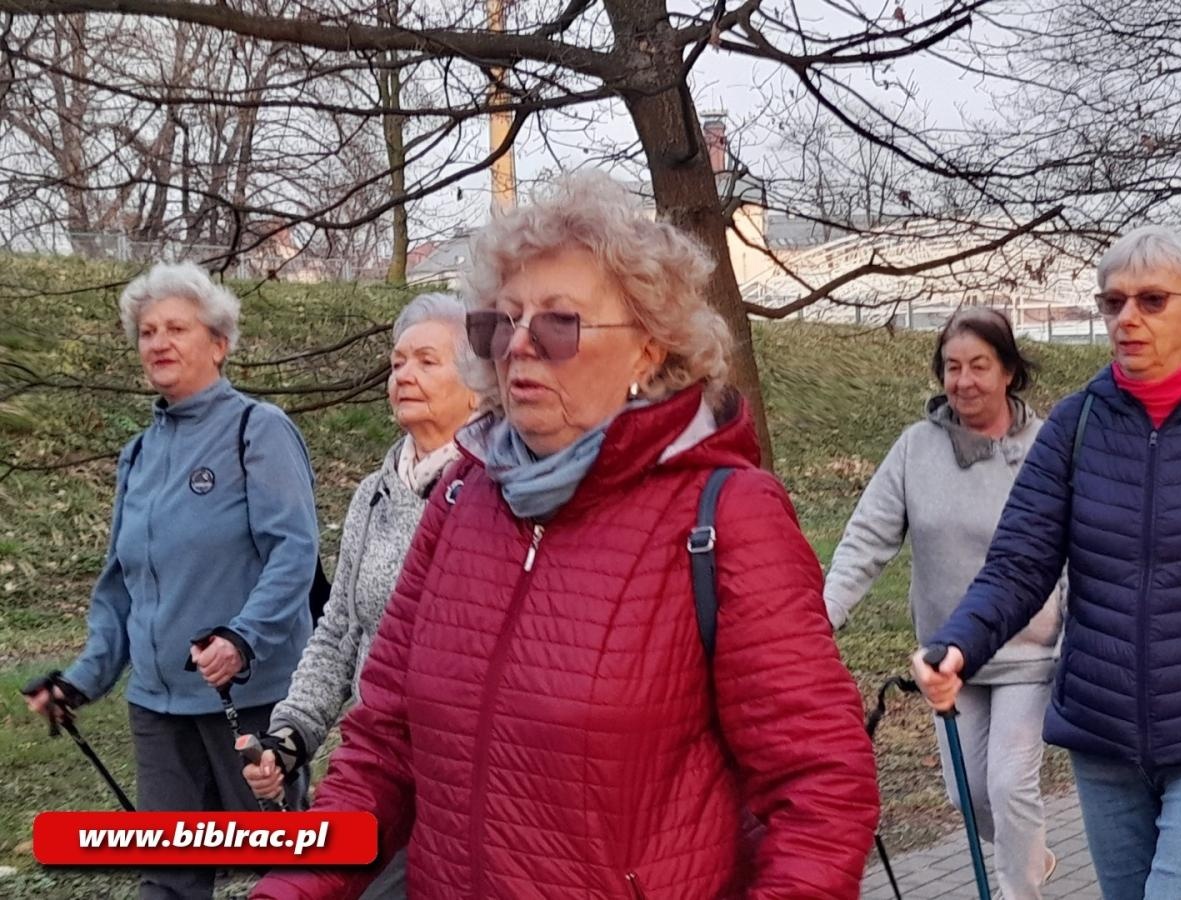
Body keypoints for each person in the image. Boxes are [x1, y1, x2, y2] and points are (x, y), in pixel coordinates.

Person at [251, 173, 879, 900]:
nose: (518, 346)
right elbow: (382, 747)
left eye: (557, 322)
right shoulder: (458, 501)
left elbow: (822, 789)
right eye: (499, 322)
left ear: (648, 347)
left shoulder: (727, 516)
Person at [912, 225, 1181, 900]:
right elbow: (1020, 562)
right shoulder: (1076, 426)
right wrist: (958, 641)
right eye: (1113, 302)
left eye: (1151, 300)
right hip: (1104, 738)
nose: (1126, 318)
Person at [24, 262, 318, 900]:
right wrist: (80, 680)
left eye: (177, 328)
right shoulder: (138, 455)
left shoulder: (256, 430)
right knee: (168, 879)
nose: (158, 341)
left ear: (218, 343)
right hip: (158, 711)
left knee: (289, 875)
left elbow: (294, 554)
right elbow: (120, 590)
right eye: (147, 330)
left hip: (249, 700)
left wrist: (242, 639)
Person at [241, 293, 481, 896]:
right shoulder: (375, 494)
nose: (403, 374)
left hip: (464, 782)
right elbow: (339, 629)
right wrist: (291, 734)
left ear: (480, 386)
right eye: (398, 361)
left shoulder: (500, 490)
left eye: (427, 360)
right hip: (375, 765)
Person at [824, 307, 1061, 899]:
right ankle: (1029, 856)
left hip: (1029, 649)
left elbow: (1080, 546)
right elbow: (865, 541)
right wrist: (821, 617)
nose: (964, 381)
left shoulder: (1048, 445)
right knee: (966, 793)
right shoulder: (916, 450)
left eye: (979, 365)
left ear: (1008, 370)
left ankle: (1020, 890)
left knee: (1009, 787)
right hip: (948, 659)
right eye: (952, 367)